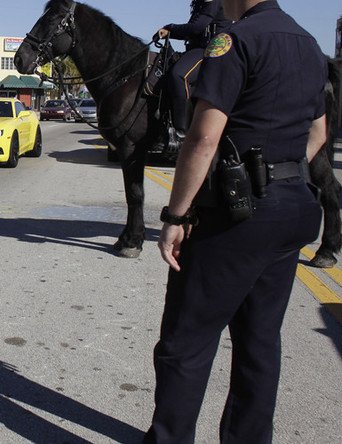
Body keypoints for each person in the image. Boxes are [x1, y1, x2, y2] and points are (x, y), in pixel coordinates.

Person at [145, 0, 328, 442]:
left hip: (237, 217)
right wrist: (278, 176)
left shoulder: (236, 40)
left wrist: (176, 215)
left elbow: (204, 136)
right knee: (259, 341)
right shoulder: (309, 43)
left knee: (186, 342)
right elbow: (319, 134)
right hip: (294, 206)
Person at [157, 0, 228, 138]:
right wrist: (168, 32)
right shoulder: (200, 4)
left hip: (211, 51)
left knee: (179, 75)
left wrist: (171, 27)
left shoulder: (212, 1)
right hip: (198, 48)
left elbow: (197, 27)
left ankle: (182, 132)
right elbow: (192, 31)